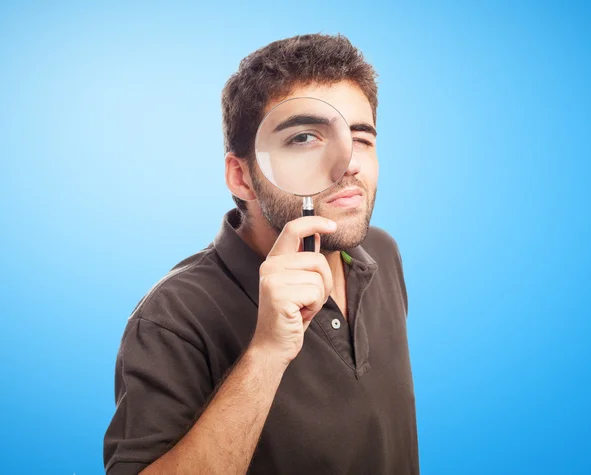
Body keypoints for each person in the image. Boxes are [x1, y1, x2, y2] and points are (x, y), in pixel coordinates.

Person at [103, 33, 419, 475]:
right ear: (242, 176)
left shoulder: (381, 254)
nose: (347, 162)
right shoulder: (173, 316)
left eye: (361, 139)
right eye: (306, 138)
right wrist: (268, 352)